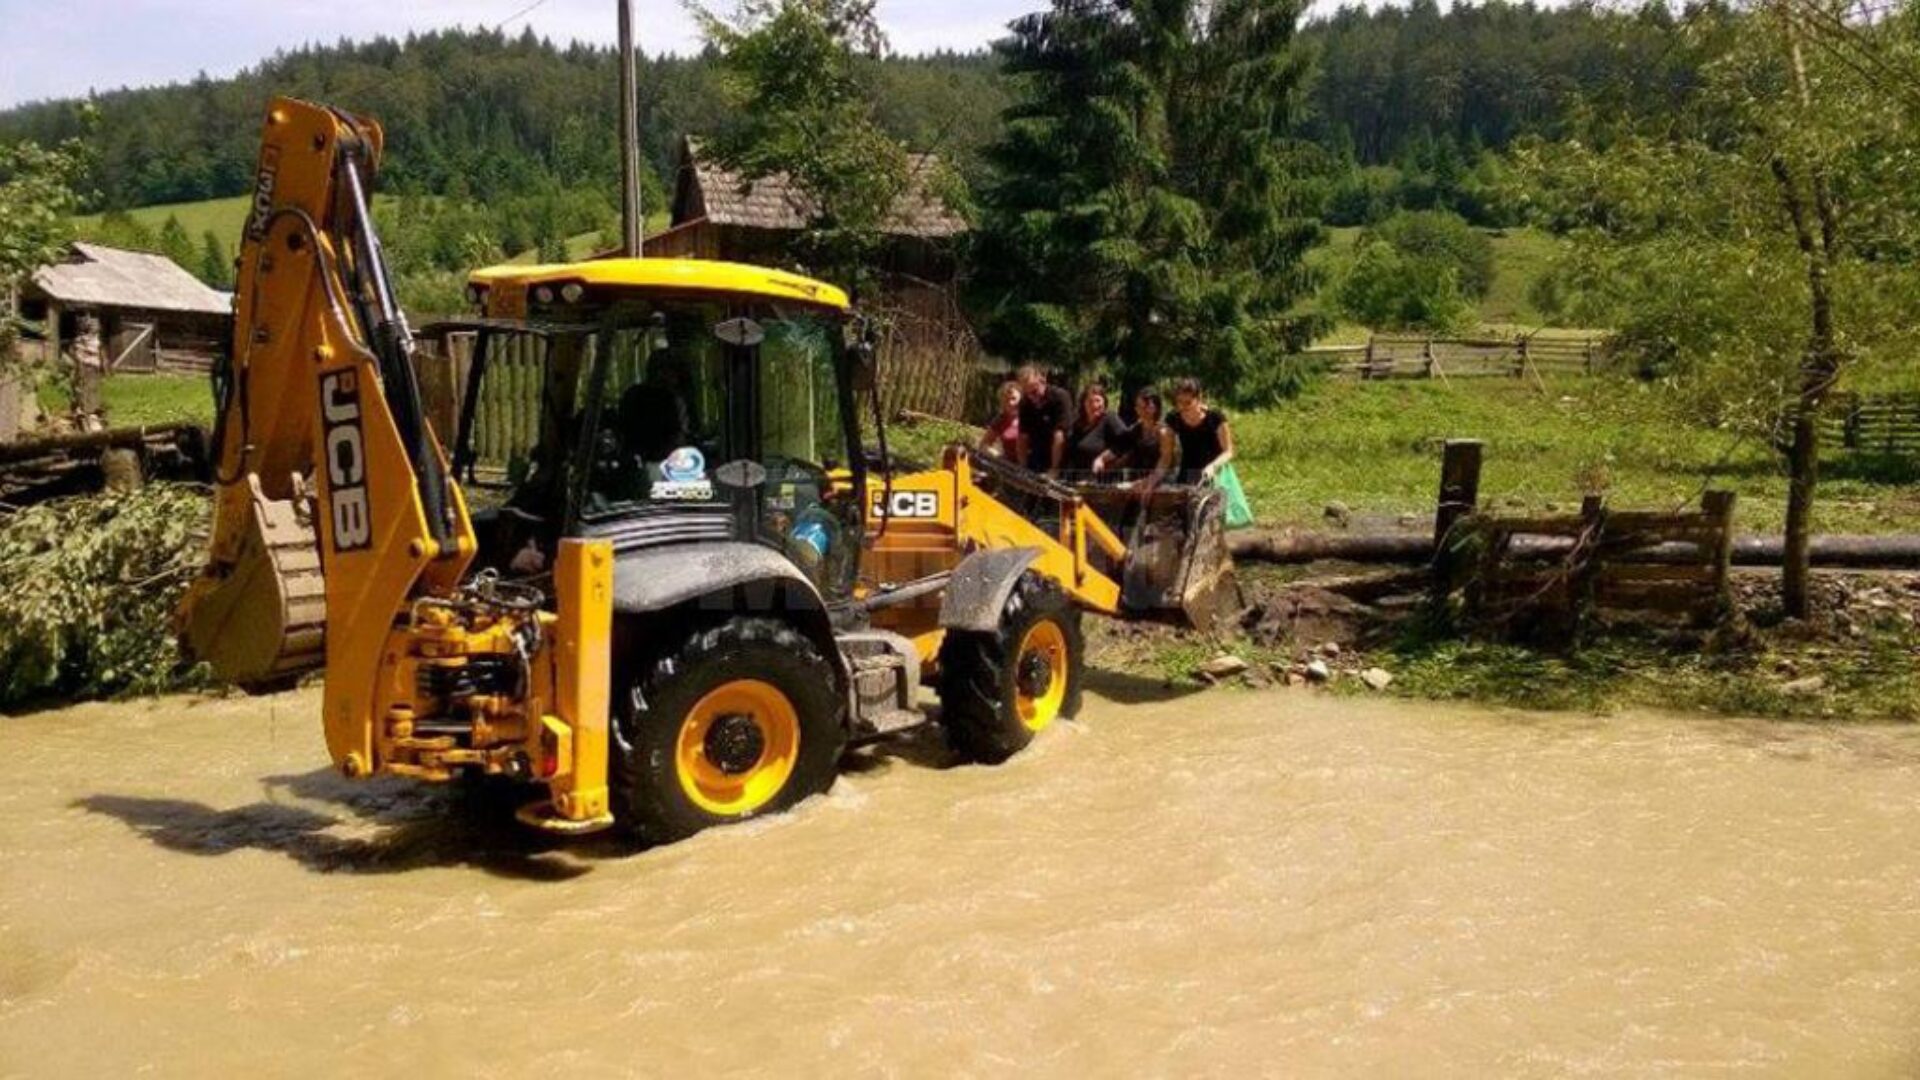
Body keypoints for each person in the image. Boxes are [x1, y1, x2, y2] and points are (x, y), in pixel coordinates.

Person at [1096, 387, 1175, 486]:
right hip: (1136, 482)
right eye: (1138, 406)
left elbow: (1165, 461)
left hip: (1160, 485)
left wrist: (1150, 482)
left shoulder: (1164, 432)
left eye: (1145, 406)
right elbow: (1120, 449)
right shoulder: (1135, 429)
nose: (1140, 410)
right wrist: (1101, 459)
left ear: (1155, 407)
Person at [1167, 376, 1234, 483]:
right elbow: (1166, 455)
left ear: (1198, 399)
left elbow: (1228, 451)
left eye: (1188, 403)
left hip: (1216, 473)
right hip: (1188, 473)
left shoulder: (1215, 418)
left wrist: (1213, 466)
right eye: (1179, 402)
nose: (1182, 407)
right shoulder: (1173, 419)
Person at [1014, 364, 1074, 474]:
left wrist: (1054, 468)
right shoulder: (1025, 403)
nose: (1032, 397)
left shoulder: (1060, 397)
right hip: (1037, 456)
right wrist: (1022, 466)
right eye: (1027, 394)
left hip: (1061, 456)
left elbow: (1059, 435)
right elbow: (1022, 437)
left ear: (1043, 381)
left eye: (1034, 391)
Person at [1064, 383, 1129, 474]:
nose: (1094, 405)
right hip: (1076, 478)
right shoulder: (1077, 425)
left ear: (1104, 402)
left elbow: (1126, 442)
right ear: (1083, 404)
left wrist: (1102, 458)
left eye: (1098, 401)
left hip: (1103, 478)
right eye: (1090, 401)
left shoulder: (1110, 419)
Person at [979, 380, 1022, 459]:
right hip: (1008, 464)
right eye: (1007, 399)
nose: (1010, 403)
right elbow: (984, 445)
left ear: (1021, 399)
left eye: (1014, 398)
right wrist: (997, 455)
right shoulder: (1000, 420)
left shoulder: (1030, 417)